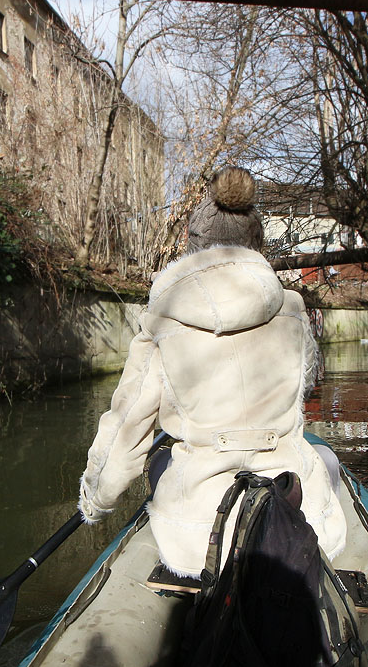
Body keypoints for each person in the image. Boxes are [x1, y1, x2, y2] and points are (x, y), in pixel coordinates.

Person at [77, 167, 346, 576]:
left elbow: (126, 426)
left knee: (159, 457)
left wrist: (96, 499)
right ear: (256, 244)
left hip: (199, 537)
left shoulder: (162, 321)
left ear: (192, 245)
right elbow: (302, 389)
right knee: (324, 456)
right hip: (296, 516)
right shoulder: (293, 310)